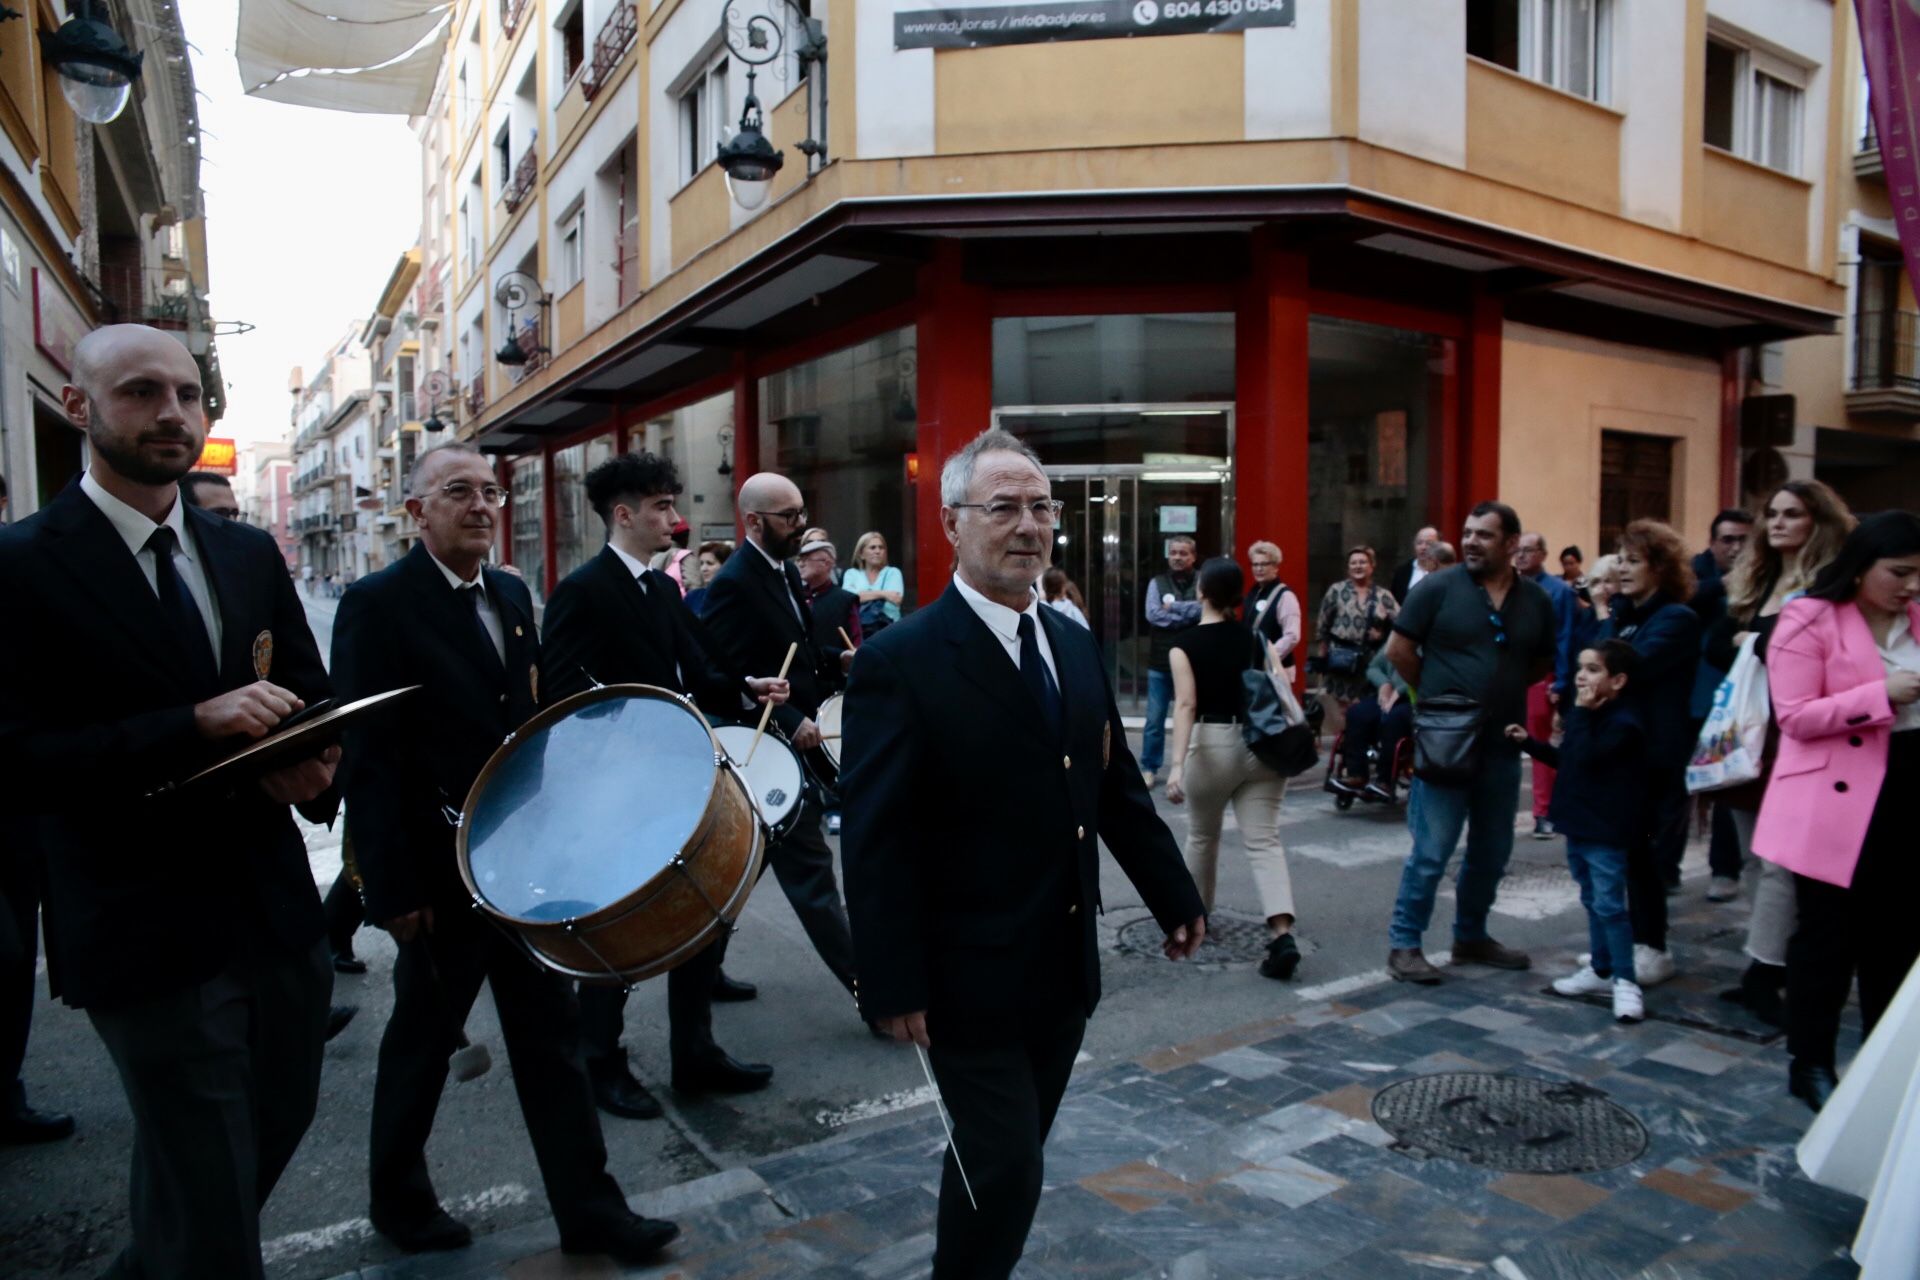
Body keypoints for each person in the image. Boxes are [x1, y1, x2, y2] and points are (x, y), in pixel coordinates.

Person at [0, 325, 342, 1276]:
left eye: (189, 395)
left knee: (253, 1143)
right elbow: (17, 757)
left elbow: (310, 694)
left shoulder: (244, 553)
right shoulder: (22, 565)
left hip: (275, 914)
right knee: (209, 1182)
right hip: (142, 924)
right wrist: (191, 723)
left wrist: (319, 767)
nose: (173, 414)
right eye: (142, 392)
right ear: (79, 406)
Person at [841, 428, 1205, 1280]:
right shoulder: (902, 662)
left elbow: (1113, 789)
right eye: (1002, 507)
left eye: (1041, 507)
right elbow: (876, 835)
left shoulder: (1073, 642)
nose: (1029, 525)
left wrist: (1174, 893)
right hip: (963, 973)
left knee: (997, 1154)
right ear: (952, 525)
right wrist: (888, 982)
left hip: (1061, 965)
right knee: (1008, 1164)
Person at [331, 442, 679, 1264]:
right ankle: (399, 1200)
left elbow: (528, 723)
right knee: (422, 1041)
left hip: (522, 863)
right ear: (416, 510)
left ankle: (592, 1213)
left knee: (551, 1042)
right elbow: (368, 756)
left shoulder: (514, 593)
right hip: (436, 871)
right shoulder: (376, 604)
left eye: (490, 491)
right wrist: (390, 883)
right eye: (459, 492)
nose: (481, 505)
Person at [541, 452, 786, 1119]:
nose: (676, 521)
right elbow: (562, 695)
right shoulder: (583, 591)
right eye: (662, 508)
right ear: (624, 515)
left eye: (674, 507)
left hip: (677, 777)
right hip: (614, 791)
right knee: (618, 932)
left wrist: (746, 687)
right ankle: (601, 1061)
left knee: (701, 913)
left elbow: (700, 666)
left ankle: (695, 1054)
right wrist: (637, 728)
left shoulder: (658, 588)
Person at [1750, 512, 1920, 1112]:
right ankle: (1811, 1061)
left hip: (1906, 787)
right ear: (1861, 566)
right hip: (1834, 801)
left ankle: (1882, 1066)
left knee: (1897, 940)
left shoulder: (1917, 619)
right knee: (1828, 938)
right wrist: (1880, 696)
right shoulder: (1809, 617)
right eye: (1899, 573)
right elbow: (1793, 715)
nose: (1911, 588)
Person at [703, 473, 863, 1011]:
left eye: (800, 512)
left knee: (744, 872)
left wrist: (837, 661)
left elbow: (797, 652)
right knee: (813, 877)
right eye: (788, 516)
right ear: (753, 521)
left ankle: (704, 968)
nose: (800, 525)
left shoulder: (784, 574)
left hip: (793, 747)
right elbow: (727, 675)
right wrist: (790, 717)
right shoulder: (733, 583)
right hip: (764, 755)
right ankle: (874, 995)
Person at [1383, 502, 1556, 985]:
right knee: (1432, 851)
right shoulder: (1438, 587)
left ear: (1511, 543)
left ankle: (1471, 936)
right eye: (1467, 533)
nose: (1471, 542)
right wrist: (1438, 701)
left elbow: (1539, 664)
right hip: (1445, 745)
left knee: (1492, 851)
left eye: (1484, 534)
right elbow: (1399, 651)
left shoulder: (1537, 601)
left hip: (1503, 745)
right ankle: (1405, 944)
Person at [1711, 481, 1855, 1025]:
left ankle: (1765, 971)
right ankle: (1767, 962)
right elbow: (1713, 639)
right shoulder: (1759, 579)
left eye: (1792, 514)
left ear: (1818, 522)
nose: (1777, 523)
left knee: (1780, 864)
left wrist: (1751, 644)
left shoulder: (1832, 587)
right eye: (1772, 513)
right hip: (1751, 730)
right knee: (1754, 856)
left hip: (1800, 733)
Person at [1164, 558, 1300, 981]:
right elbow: (1281, 687)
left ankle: (1195, 917)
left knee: (1203, 836)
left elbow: (1186, 705)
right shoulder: (1257, 639)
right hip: (1262, 746)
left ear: (1201, 592)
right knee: (1264, 841)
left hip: (1213, 744)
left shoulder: (1184, 645)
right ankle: (1281, 933)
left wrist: (1175, 766)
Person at [1508, 640, 1649, 1024]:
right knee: (1591, 897)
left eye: (1592, 670)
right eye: (1579, 669)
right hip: (1580, 824)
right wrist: (1532, 745)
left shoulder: (1624, 722)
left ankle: (1625, 980)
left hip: (1606, 829)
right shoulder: (1589, 717)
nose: (1581, 677)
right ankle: (1601, 966)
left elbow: (1588, 757)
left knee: (1609, 905)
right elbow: (1570, 761)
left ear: (1618, 681)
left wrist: (1581, 714)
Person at [1597, 520, 1699, 989]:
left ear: (1660, 568)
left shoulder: (1675, 618)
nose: (1622, 568)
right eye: (1620, 558)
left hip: (1655, 752)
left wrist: (1605, 616)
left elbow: (1624, 667)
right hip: (1622, 750)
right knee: (1623, 853)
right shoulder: (1627, 613)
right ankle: (1625, 943)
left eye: (1634, 560)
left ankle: (1653, 947)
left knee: (1646, 856)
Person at [1689, 509, 1754, 902]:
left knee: (1729, 784)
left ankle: (1724, 869)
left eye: (1743, 539)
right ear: (1713, 543)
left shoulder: (1764, 577)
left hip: (1735, 699)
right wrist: (1719, 585)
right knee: (1681, 787)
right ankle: (1665, 870)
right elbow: (1683, 598)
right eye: (1728, 539)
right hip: (1692, 695)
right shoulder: (1694, 573)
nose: (1736, 547)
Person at [1514, 532, 1580, 839]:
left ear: (1542, 554)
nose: (1522, 555)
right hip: (1508, 676)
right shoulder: (1509, 586)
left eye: (1529, 550)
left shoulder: (1558, 591)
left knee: (1539, 745)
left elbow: (1565, 638)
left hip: (1542, 676)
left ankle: (1544, 811)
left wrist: (1562, 682)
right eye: (1519, 550)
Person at [1141, 534, 1201, 787]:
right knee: (1155, 720)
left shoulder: (1202, 581)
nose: (1177, 557)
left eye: (1183, 553)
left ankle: (1190, 768)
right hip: (1161, 663)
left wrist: (1173, 609)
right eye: (1173, 552)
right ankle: (1149, 767)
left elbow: (1204, 608)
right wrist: (1186, 614)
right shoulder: (1157, 582)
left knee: (1192, 717)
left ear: (1193, 557)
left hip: (1193, 662)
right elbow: (1153, 614)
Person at [1316, 546, 1398, 705]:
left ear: (1372, 566)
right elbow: (1323, 625)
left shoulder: (1383, 595)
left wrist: (1383, 634)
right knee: (1339, 706)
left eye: (1362, 562)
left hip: (1369, 659)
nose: (1358, 566)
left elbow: (1401, 625)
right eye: (1353, 563)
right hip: (1341, 658)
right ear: (1348, 567)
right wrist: (1322, 658)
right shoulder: (1336, 591)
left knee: (1365, 704)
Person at [1338, 646, 1412, 800]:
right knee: (1357, 713)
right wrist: (1384, 684)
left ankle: (1384, 780)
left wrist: (1400, 690)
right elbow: (1374, 667)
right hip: (1389, 692)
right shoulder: (1396, 638)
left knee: (1394, 719)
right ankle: (1356, 774)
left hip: (1413, 696)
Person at [797, 534, 863, 680]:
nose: (800, 564)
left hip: (831, 681)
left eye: (806, 559)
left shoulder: (845, 599)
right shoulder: (796, 597)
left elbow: (856, 643)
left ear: (826, 563)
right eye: (799, 559)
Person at [1245, 539, 1302, 669]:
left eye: (1264, 564)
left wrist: (1269, 657)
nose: (1259, 569)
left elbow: (1292, 636)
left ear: (1276, 567)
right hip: (1254, 666)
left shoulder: (1285, 596)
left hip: (1277, 668)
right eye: (1255, 564)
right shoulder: (1253, 593)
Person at [844, 530, 905, 635]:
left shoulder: (893, 572)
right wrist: (884, 594)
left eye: (881, 547)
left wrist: (863, 594)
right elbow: (848, 600)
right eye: (872, 547)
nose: (877, 551)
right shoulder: (851, 574)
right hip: (860, 631)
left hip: (890, 630)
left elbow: (896, 599)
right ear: (861, 554)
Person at [1390, 525, 1440, 603]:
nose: (1423, 547)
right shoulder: (1402, 572)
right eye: (1419, 543)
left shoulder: (1443, 571)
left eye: (1429, 543)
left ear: (1439, 545)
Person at [685, 539, 732, 615]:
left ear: (724, 565)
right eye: (701, 564)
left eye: (710, 563)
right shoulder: (693, 596)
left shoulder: (733, 597)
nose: (703, 569)